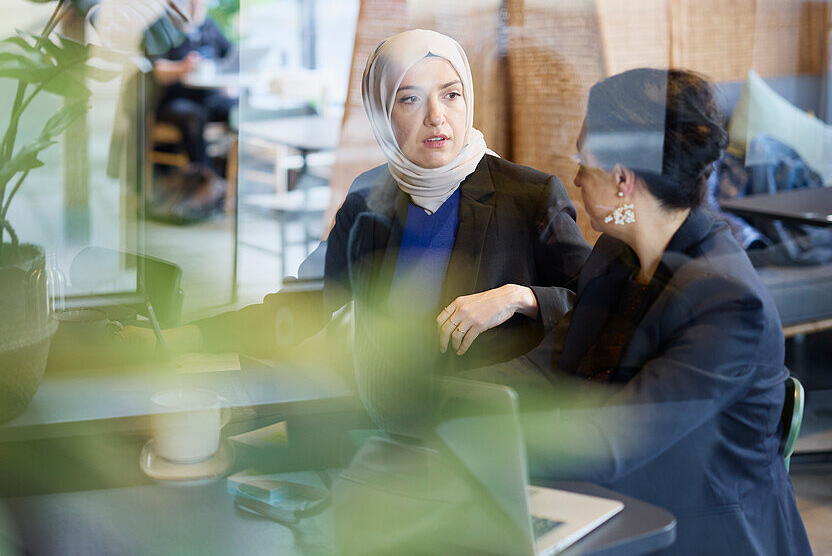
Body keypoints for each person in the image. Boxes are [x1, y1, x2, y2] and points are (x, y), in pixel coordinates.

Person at [464, 68, 812, 555]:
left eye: (585, 163)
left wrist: (471, 439)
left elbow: (615, 443)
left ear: (623, 180)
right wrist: (451, 398)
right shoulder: (615, 255)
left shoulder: (728, 302)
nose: (576, 177)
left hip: (695, 532)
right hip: (619, 499)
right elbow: (550, 366)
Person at [200, 30, 589, 370]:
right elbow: (303, 305)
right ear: (383, 114)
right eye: (410, 100)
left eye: (451, 95)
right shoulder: (368, 199)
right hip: (379, 413)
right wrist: (179, 339)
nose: (436, 116)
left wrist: (521, 297)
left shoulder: (530, 195)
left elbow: (603, 306)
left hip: (482, 425)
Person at [147, 0, 236, 170]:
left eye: (200, 3)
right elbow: (156, 69)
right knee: (193, 117)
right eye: (192, 2)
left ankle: (231, 174)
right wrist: (182, 67)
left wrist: (229, 83)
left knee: (238, 110)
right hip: (175, 99)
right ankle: (204, 179)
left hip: (210, 97)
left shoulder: (208, 26)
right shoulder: (160, 29)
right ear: (174, 3)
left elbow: (231, 57)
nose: (197, 8)